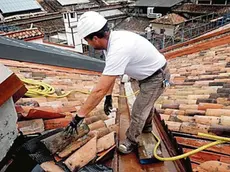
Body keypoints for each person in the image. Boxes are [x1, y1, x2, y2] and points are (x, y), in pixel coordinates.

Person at [65, 11, 170, 154]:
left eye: (87, 41)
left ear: (95, 38)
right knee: (146, 104)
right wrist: (108, 97)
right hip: (147, 76)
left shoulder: (118, 48)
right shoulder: (111, 42)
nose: (88, 44)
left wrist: (78, 117)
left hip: (156, 77)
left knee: (138, 111)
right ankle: (146, 127)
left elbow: (98, 90)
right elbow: (111, 76)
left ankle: (132, 140)